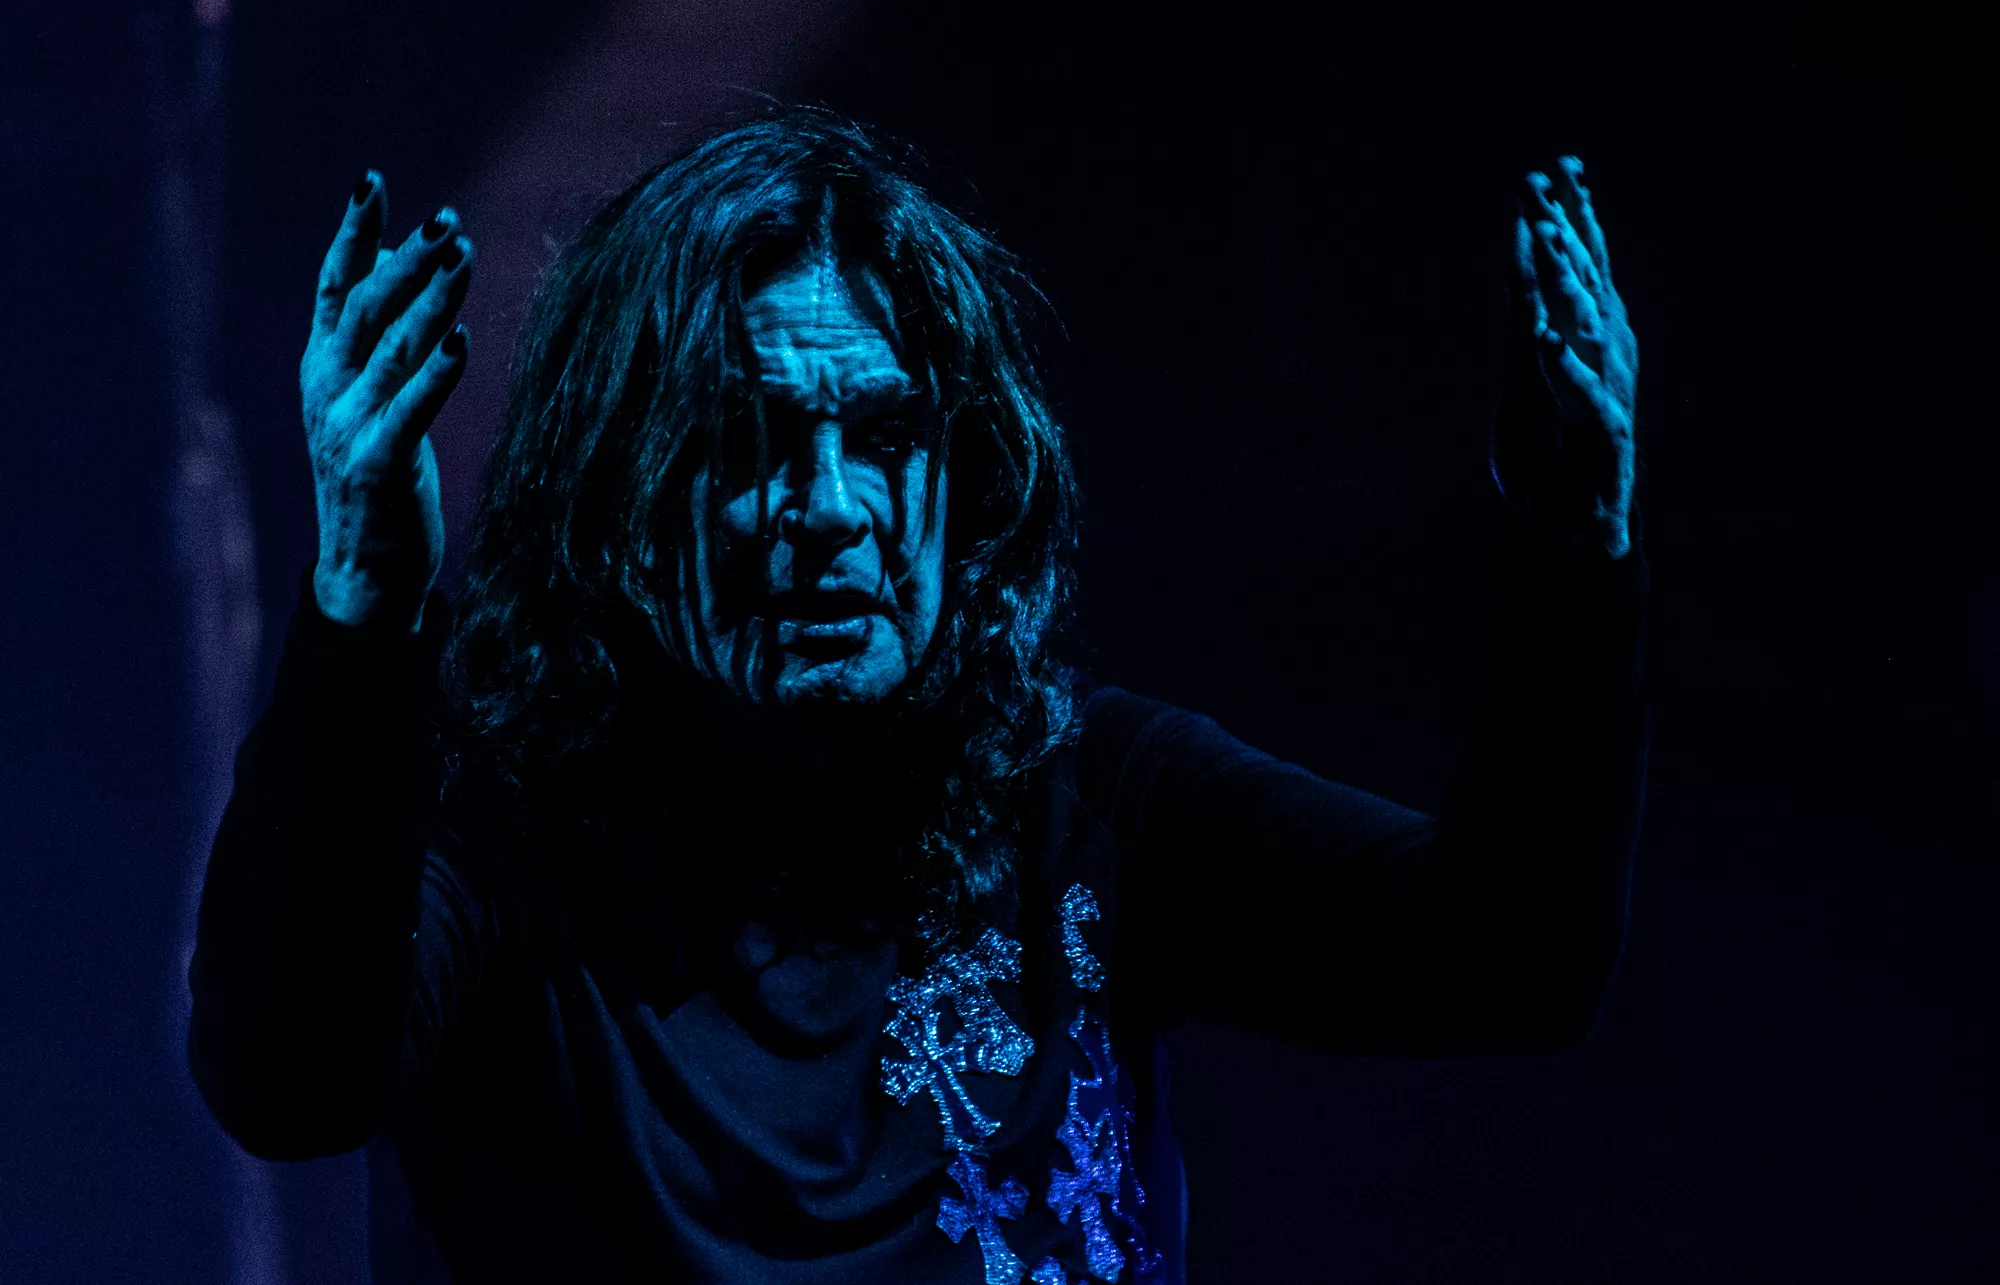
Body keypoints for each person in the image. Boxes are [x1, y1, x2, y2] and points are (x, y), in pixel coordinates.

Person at [189, 111, 1648, 1284]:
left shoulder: (1088, 794)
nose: (831, 507)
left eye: (885, 436)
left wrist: (1573, 556)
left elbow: (1510, 959)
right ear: (620, 501)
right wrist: (361, 610)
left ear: (970, 479)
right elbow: (286, 1086)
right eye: (752, 442)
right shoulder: (498, 845)